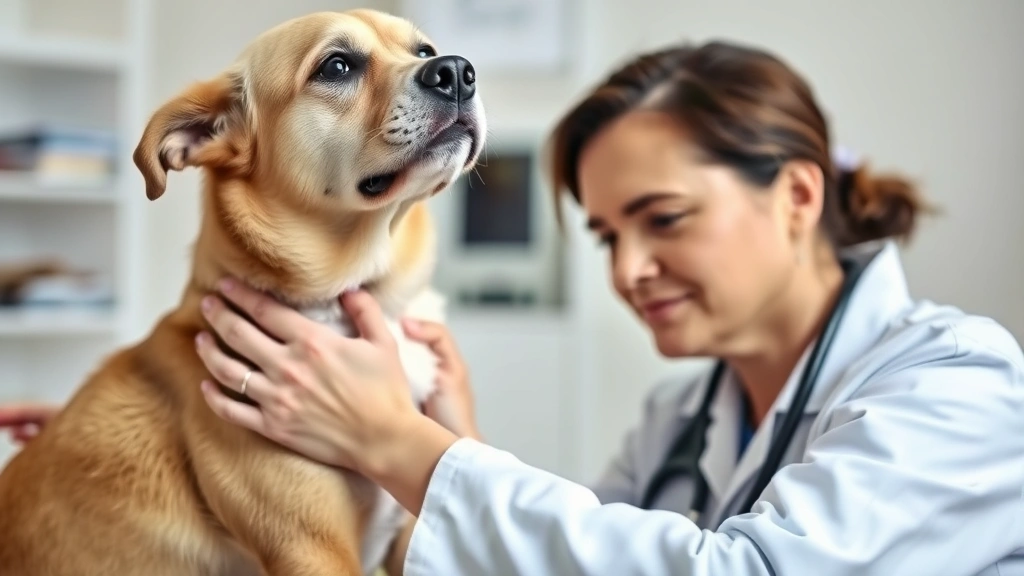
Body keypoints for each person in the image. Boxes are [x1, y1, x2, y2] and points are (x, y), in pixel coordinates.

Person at [6, 40, 1024, 574]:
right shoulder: (679, 424)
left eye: (662, 219)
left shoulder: (959, 384)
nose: (629, 271)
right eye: (606, 235)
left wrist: (406, 449)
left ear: (797, 195)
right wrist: (142, 487)